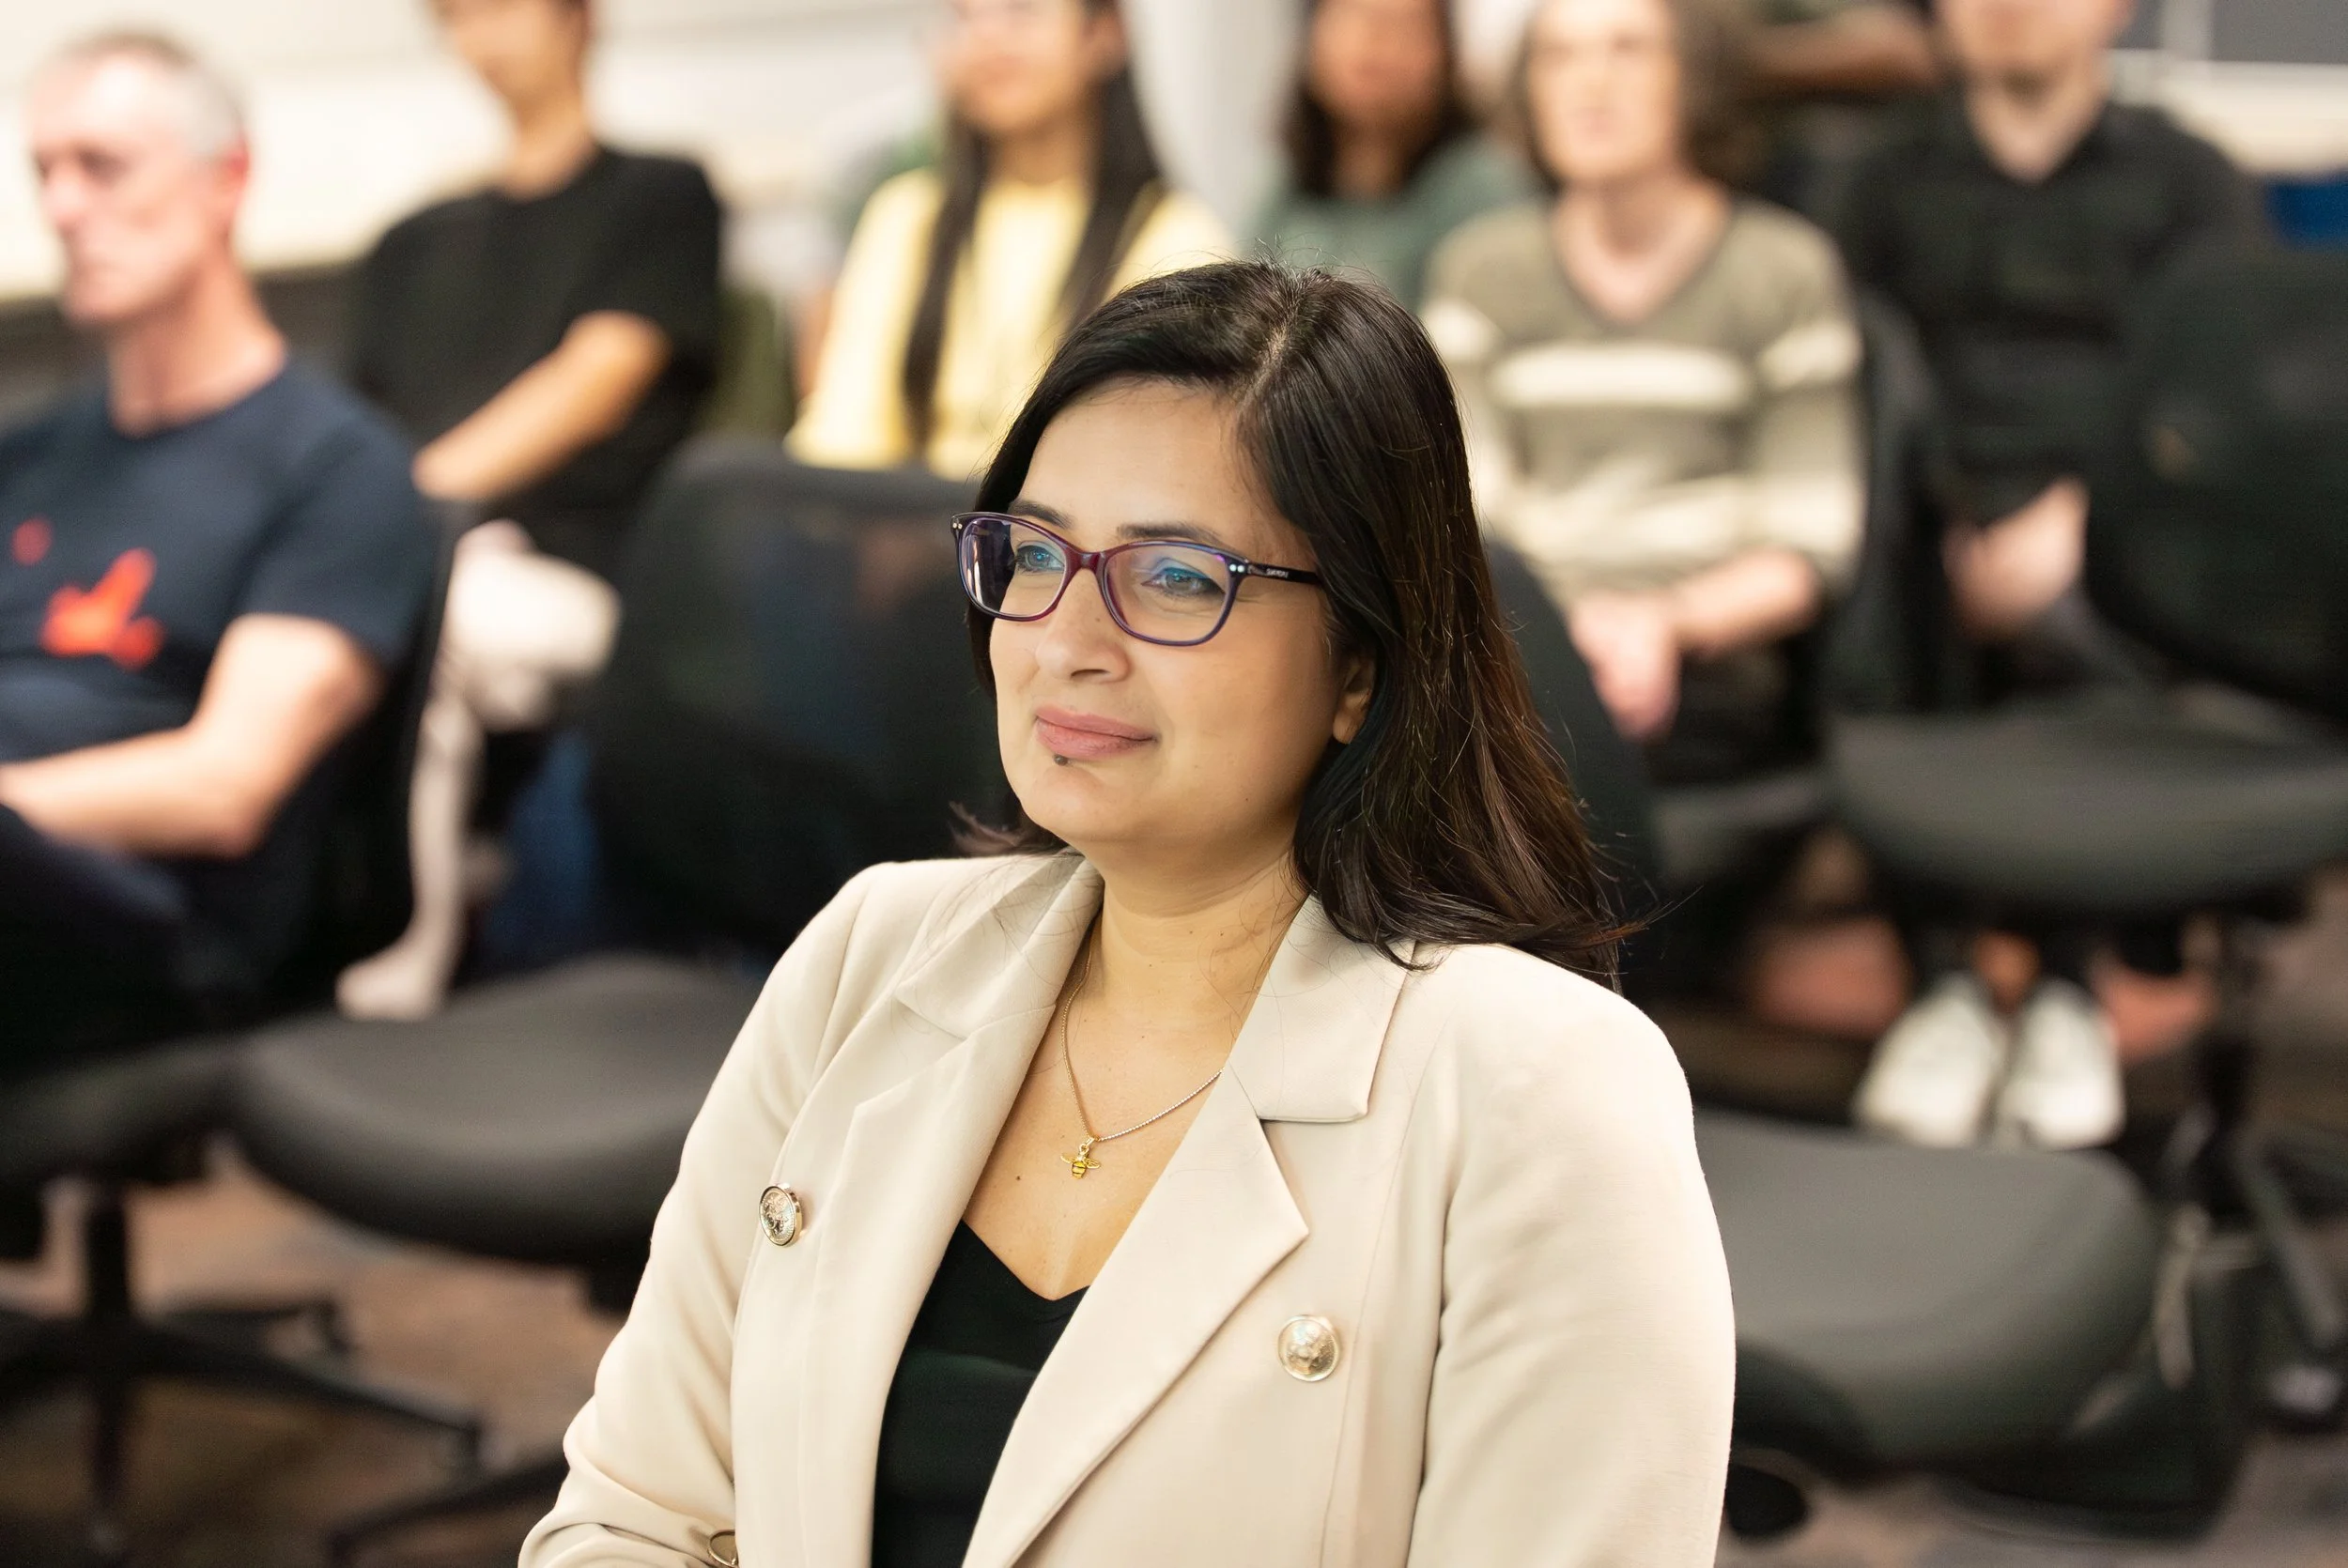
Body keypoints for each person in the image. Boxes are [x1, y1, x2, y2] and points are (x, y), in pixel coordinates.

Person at [523, 263, 1733, 1567]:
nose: (1066, 639)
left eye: (1172, 577)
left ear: (1361, 663)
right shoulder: (870, 955)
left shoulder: (1539, 1087)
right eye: (1034, 554)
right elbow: (637, 1511)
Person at [1839, 0, 2265, 1151]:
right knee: (1866, 586)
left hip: (2117, 525)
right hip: (1923, 525)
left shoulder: (2190, 182)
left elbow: (2214, 390)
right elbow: (1860, 376)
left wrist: (2081, 521)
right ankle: (1944, 984)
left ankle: (2071, 986)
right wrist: (1946, 519)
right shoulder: (1875, 184)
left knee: (2117, 612)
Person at [0, 34, 431, 1067]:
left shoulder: (338, 467)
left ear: (223, 180)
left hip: (148, 919)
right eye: (44, 172)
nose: (62, 207)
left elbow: (225, 786)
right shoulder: (30, 450)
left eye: (101, 167)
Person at [336, 0, 723, 1018]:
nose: (482, 33)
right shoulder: (414, 240)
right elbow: (355, 428)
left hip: (583, 574)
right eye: (455, 13)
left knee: (433, 615)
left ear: (577, 18)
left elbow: (595, 381)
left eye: (504, 4)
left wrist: (403, 519)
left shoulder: (659, 197)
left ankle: (399, 978)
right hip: (422, 551)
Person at [1425, 0, 1864, 785]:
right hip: (1515, 651)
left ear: (1693, 77)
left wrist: (1664, 623)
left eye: (1627, 50)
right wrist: (1570, 634)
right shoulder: (1479, 272)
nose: (1590, 83)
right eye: (1559, 56)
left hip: (1713, 662)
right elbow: (1469, 515)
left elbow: (1808, 542)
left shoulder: (1785, 268)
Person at [789, 0, 1229, 479]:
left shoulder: (1177, 236)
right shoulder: (908, 217)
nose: (987, 38)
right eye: (964, 17)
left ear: (1103, 34)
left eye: (1019, 11)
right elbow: (846, 438)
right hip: (911, 532)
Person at [1252, 0, 1537, 308]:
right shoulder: (1288, 185)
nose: (1373, 42)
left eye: (1404, 25)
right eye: (1353, 15)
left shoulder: (1485, 191)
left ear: (1445, 52)